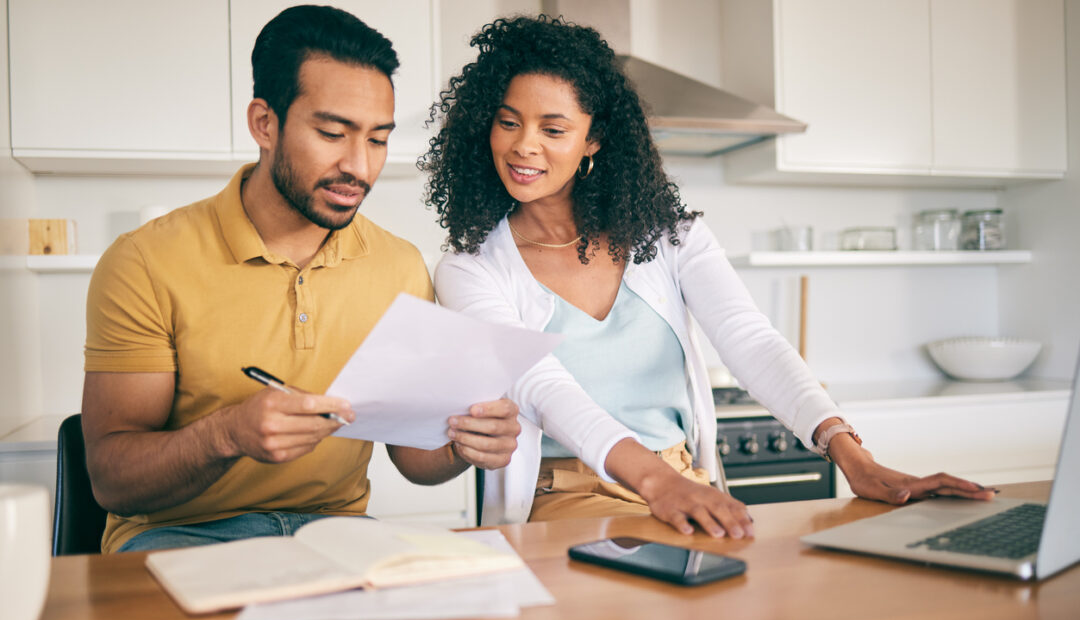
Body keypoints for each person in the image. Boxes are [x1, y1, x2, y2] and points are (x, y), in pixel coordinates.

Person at [417, 15, 995, 538]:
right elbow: (542, 387)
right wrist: (655, 483)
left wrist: (855, 461)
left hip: (684, 479)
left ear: (592, 140)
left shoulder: (670, 237)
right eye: (508, 122)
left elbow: (752, 342)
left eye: (553, 128)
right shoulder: (470, 269)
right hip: (568, 496)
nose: (524, 146)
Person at [82, 5, 519, 554]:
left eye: (378, 140)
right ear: (265, 123)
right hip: (178, 536)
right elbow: (111, 480)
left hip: (338, 535)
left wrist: (466, 443)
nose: (359, 167)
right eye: (333, 133)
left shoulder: (399, 266)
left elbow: (414, 460)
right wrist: (227, 435)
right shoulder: (145, 261)